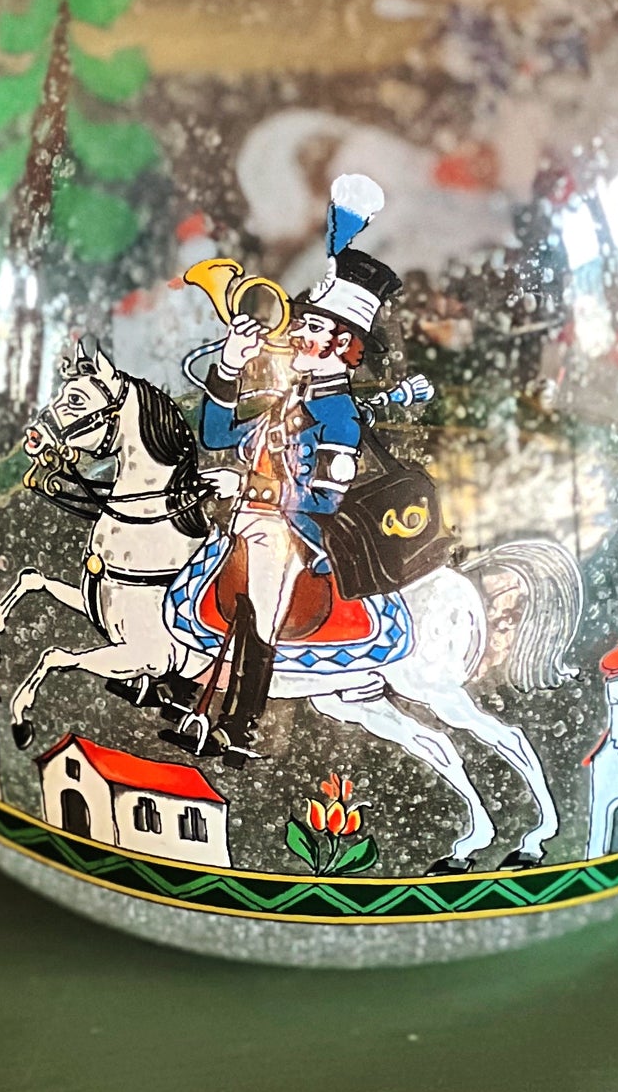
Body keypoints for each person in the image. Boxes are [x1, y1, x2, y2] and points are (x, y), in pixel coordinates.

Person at [174, 174, 430, 758]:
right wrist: (229, 368)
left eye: (312, 327)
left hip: (303, 534)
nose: (298, 333)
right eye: (303, 324)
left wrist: (259, 493)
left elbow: (327, 496)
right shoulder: (289, 396)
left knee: (262, 572)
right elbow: (217, 433)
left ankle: (242, 725)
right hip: (255, 516)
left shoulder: (337, 415)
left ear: (342, 344)